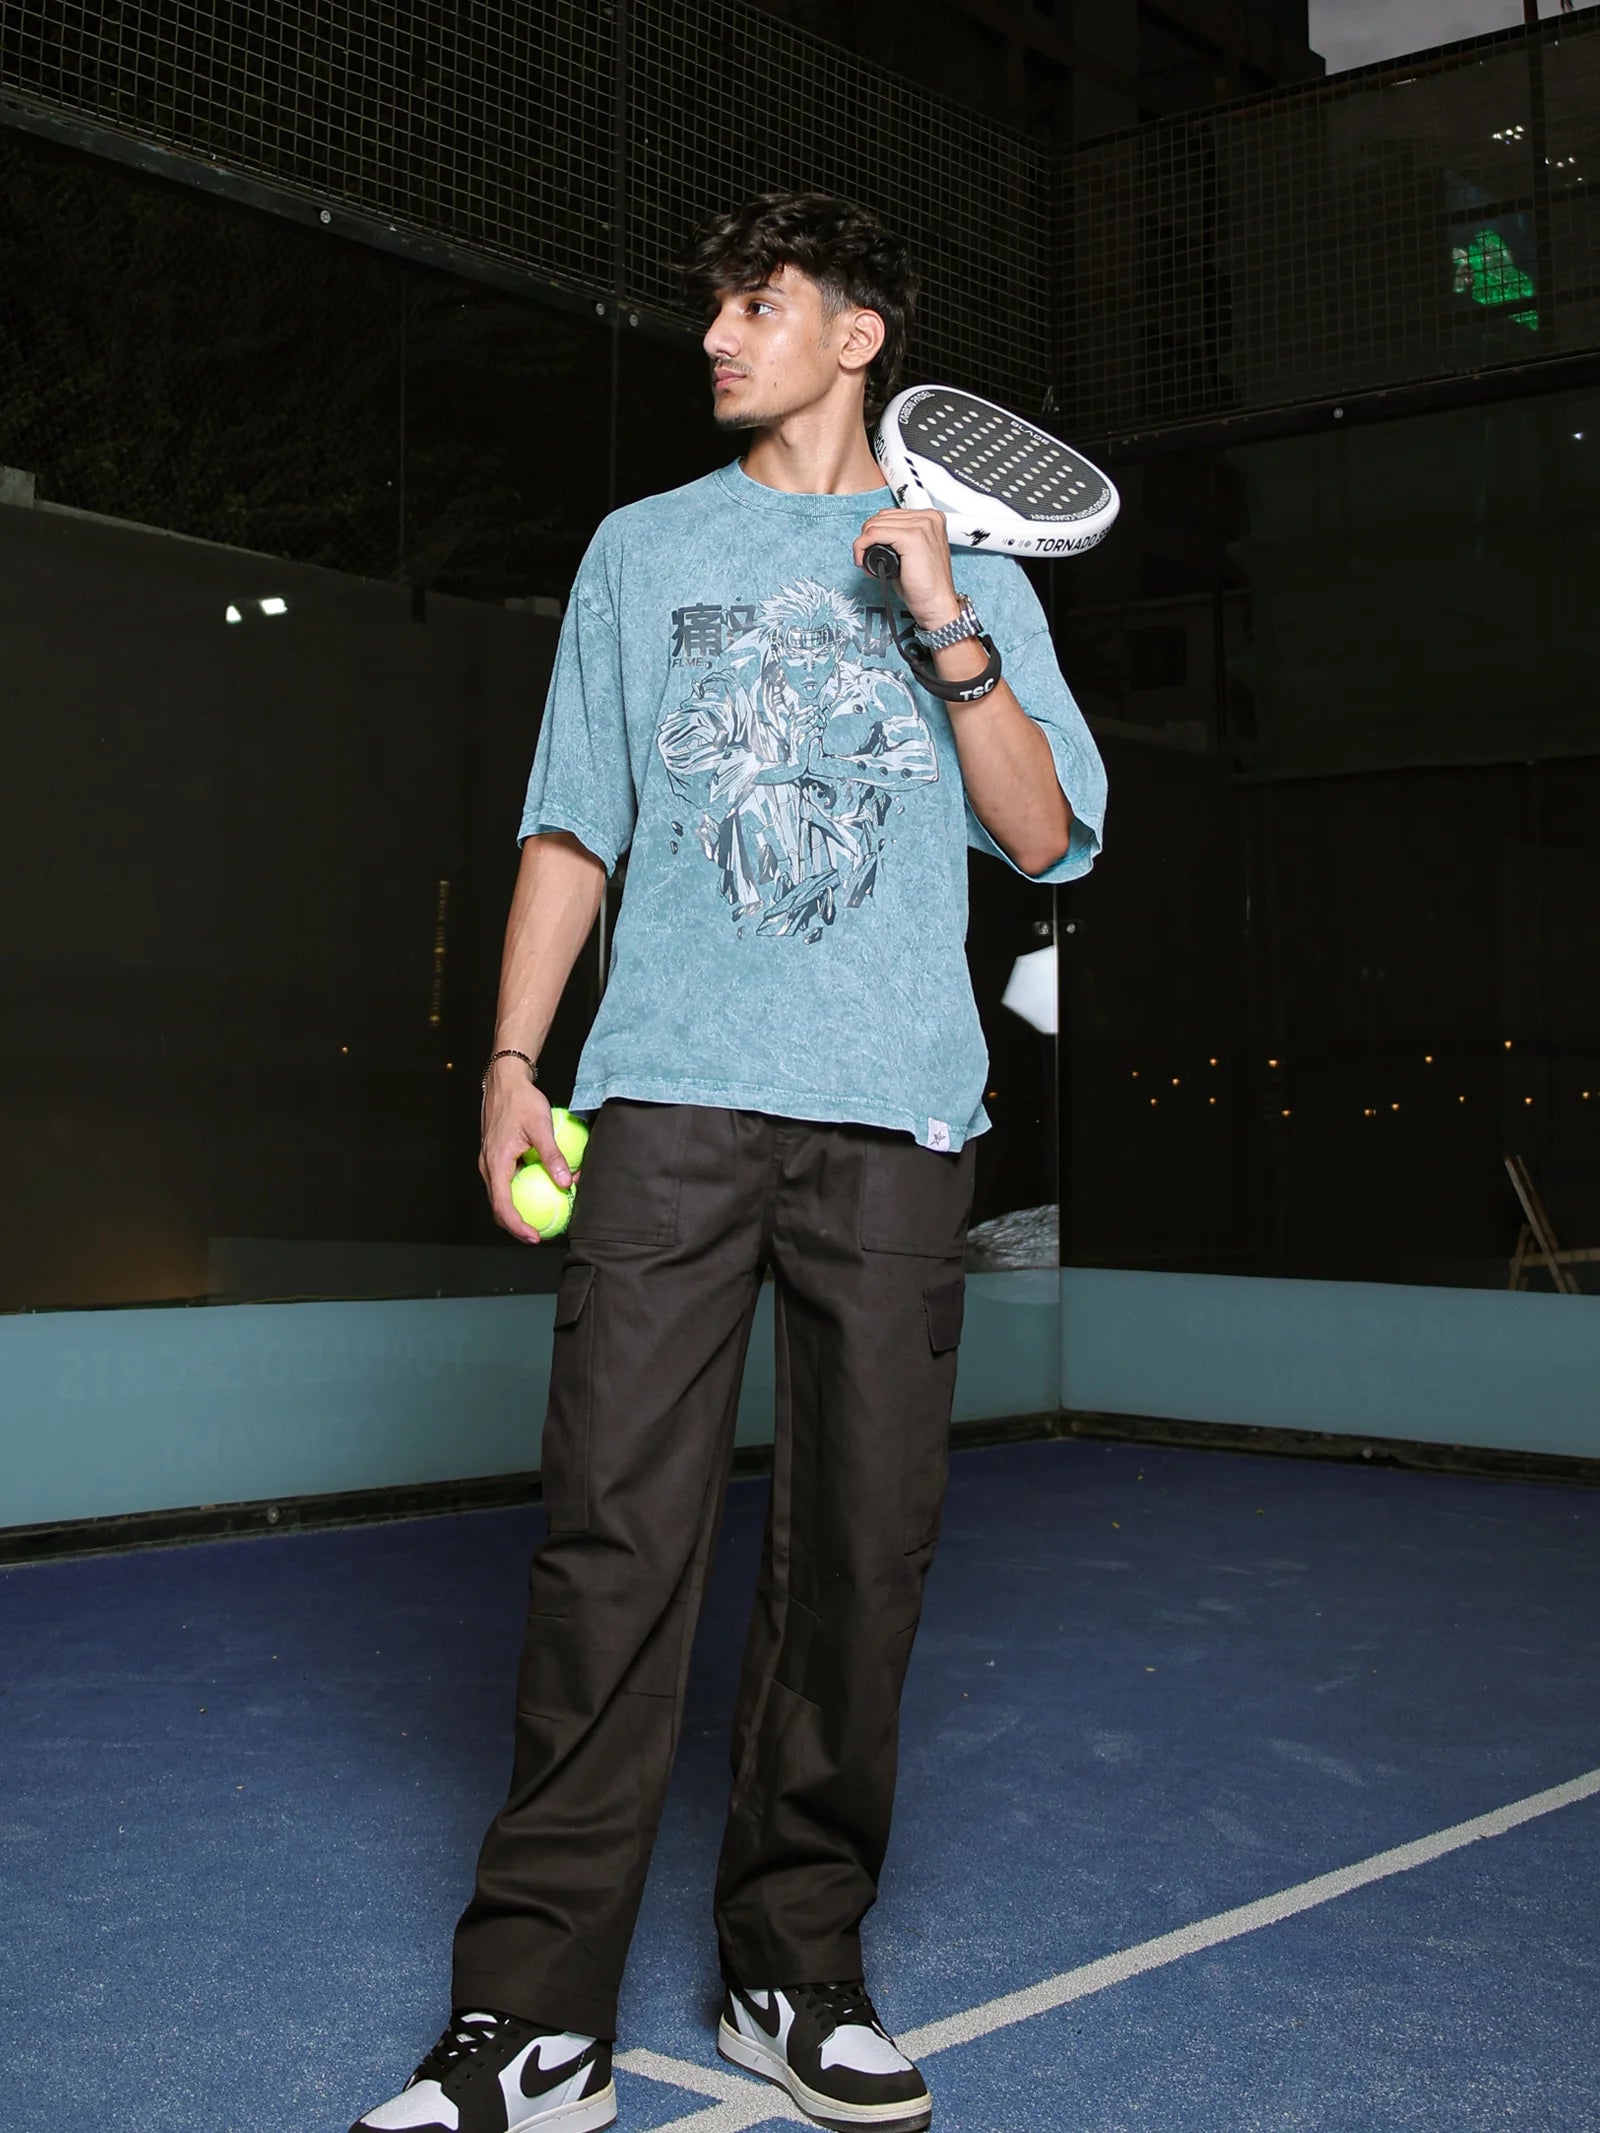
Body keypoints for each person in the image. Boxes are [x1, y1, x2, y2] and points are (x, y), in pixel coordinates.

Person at [351, 190, 1107, 2133]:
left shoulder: (972, 573)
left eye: (754, 306)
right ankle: (528, 2021)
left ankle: (795, 1968)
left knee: (858, 1560)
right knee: (613, 1547)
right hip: (668, 1105)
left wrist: (937, 608)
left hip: (896, 1120)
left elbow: (1044, 839)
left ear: (855, 336)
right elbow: (569, 824)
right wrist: (516, 1059)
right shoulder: (639, 547)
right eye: (712, 305)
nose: (714, 335)